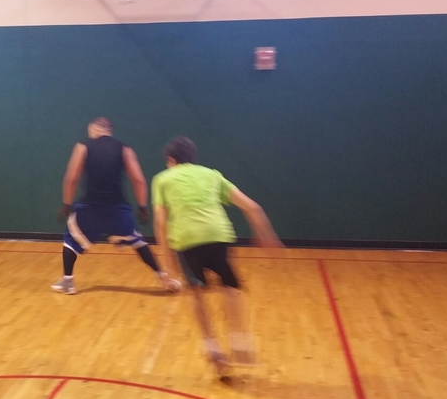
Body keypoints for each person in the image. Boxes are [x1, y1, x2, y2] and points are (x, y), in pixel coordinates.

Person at [151, 136, 282, 378]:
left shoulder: (162, 179)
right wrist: (266, 235)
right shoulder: (212, 175)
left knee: (197, 294)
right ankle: (240, 341)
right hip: (219, 234)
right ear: (193, 158)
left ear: (170, 160)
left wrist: (168, 264)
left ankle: (214, 351)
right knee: (229, 288)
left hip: (188, 239)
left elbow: (160, 221)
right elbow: (253, 207)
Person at [52, 118, 182, 295]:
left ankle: (68, 281)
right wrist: (142, 206)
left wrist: (66, 204)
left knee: (71, 241)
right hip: (118, 209)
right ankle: (163, 277)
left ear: (95, 129)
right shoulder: (125, 149)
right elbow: (138, 180)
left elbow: (71, 178)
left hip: (90, 208)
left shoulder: (82, 147)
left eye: (90, 130)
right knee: (138, 242)